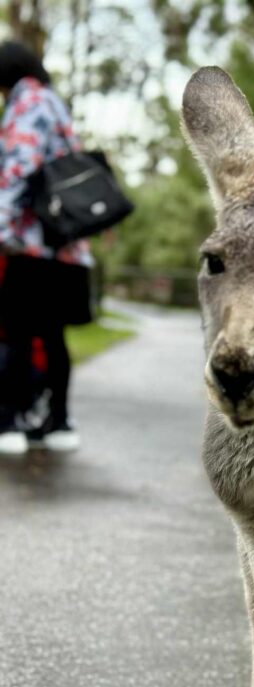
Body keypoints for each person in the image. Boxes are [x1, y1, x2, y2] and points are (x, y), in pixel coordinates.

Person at [0, 41, 93, 455]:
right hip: (65, 244)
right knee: (53, 336)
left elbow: (19, 166)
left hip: (32, 244)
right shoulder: (55, 102)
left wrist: (1, 223)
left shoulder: (28, 102)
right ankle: (59, 422)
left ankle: (9, 423)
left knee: (17, 334)